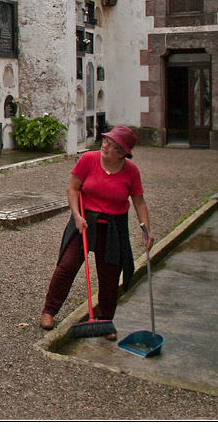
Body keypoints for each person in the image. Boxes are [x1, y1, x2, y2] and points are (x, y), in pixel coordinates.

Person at [40, 125, 152, 340]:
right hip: (85, 221)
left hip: (113, 226)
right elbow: (72, 189)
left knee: (110, 275)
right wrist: (77, 216)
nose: (105, 146)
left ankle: (105, 320)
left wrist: (145, 230)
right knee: (67, 266)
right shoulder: (88, 160)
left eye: (111, 145)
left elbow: (139, 202)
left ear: (122, 152)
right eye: (106, 141)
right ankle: (49, 311)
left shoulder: (131, 171)